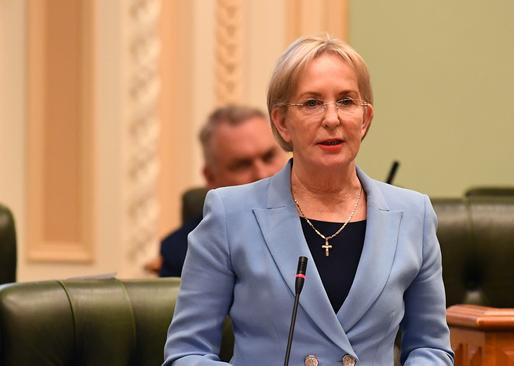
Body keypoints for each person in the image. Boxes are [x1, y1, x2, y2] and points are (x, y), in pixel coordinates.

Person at [163, 35, 454, 365]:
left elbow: (431, 348)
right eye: (312, 103)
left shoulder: (413, 215)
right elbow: (186, 354)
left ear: (365, 119)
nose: (332, 119)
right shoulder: (230, 214)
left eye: (346, 101)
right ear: (283, 123)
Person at [155, 105, 287, 277]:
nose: (262, 174)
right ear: (210, 177)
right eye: (242, 165)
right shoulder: (183, 252)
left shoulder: (321, 223)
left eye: (268, 157)